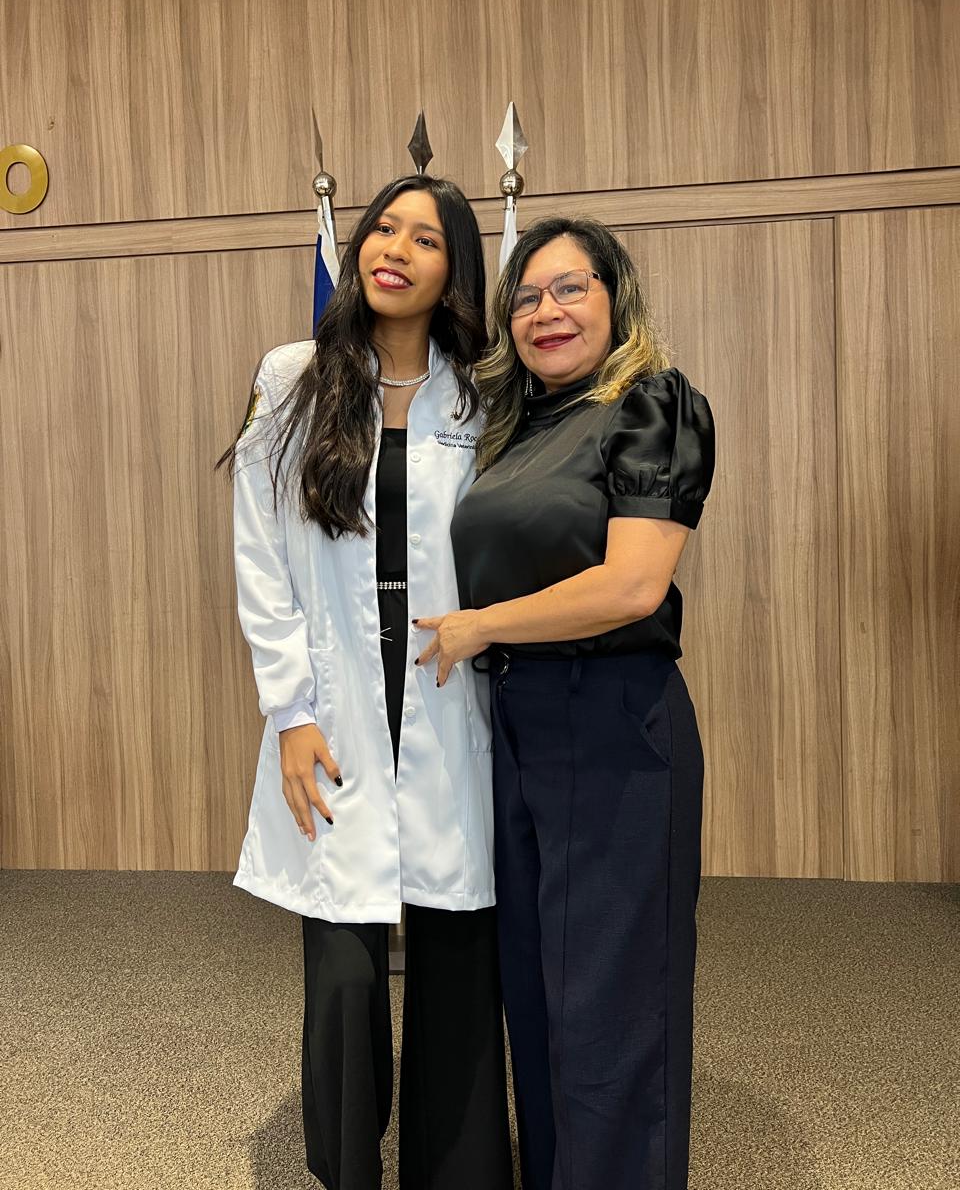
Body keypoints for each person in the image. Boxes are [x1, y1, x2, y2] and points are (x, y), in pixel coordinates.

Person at [221, 175, 513, 1190]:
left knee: (456, 949)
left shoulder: (482, 394)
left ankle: (458, 1167)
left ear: (455, 268)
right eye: (384, 228)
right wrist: (290, 711)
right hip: (337, 699)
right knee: (345, 967)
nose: (395, 248)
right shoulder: (294, 377)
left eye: (425, 238)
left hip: (449, 692)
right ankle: (345, 1166)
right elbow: (261, 552)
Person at [414, 216, 715, 1190]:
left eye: (570, 288)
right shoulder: (519, 428)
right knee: (539, 992)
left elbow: (632, 585)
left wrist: (481, 625)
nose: (547, 311)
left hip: (613, 719)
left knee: (611, 1008)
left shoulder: (654, 405)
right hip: (518, 726)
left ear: (615, 297)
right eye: (528, 297)